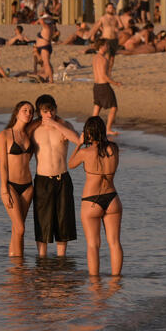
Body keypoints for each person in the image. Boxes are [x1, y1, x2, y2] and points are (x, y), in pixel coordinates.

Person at [68, 116, 123, 276]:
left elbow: (70, 164)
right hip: (112, 198)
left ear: (88, 133)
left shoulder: (85, 152)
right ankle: (116, 282)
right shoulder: (114, 148)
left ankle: (94, 284)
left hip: (91, 201)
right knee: (114, 243)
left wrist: (79, 143)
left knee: (93, 245)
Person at [28, 94, 81, 257]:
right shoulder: (34, 129)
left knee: (63, 221)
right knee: (42, 221)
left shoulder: (64, 125)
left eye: (52, 110)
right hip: (42, 180)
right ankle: (42, 258)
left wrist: (56, 124)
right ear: (39, 112)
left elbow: (78, 140)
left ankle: (61, 258)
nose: (49, 114)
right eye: (45, 111)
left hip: (62, 178)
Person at [0, 101, 35, 257]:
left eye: (31, 111)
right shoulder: (5, 135)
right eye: (25, 110)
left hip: (28, 187)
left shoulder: (29, 135)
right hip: (11, 186)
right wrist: (4, 189)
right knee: (20, 228)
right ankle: (19, 266)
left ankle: (15, 264)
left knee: (17, 229)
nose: (28, 113)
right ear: (17, 113)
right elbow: (3, 165)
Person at [92, 38, 121, 135]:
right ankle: (108, 129)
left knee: (97, 107)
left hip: (96, 86)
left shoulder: (95, 57)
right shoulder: (103, 59)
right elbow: (104, 76)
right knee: (114, 107)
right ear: (101, 46)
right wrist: (115, 83)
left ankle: (91, 128)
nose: (108, 47)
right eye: (106, 45)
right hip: (103, 86)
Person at [35, 14, 54, 83]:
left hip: (44, 47)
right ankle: (47, 77)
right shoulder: (50, 26)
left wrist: (42, 16)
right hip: (44, 47)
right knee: (46, 64)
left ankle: (51, 79)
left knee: (46, 63)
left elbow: (41, 21)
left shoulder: (47, 27)